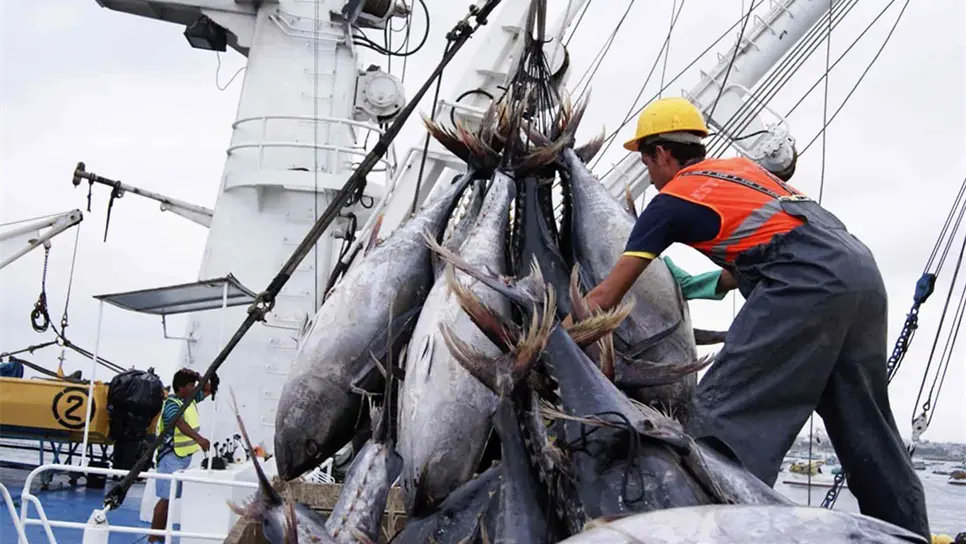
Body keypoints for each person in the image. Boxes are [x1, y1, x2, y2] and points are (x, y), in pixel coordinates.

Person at [563, 96, 930, 539]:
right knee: (867, 430)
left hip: (805, 284)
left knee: (719, 427)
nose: (650, 177)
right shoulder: (743, 171)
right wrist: (710, 283)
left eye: (647, 163)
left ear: (661, 153)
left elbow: (607, 294)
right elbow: (757, 256)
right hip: (859, 274)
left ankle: (719, 533)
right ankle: (908, 533)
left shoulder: (670, 201)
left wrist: (556, 340)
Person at [148, 368, 218, 542]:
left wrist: (198, 376)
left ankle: (160, 536)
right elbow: (179, 423)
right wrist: (200, 439)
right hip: (170, 457)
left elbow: (209, 389)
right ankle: (153, 538)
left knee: (171, 499)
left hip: (183, 457)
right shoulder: (173, 403)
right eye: (190, 385)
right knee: (165, 500)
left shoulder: (189, 399)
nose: (194, 388)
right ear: (180, 387)